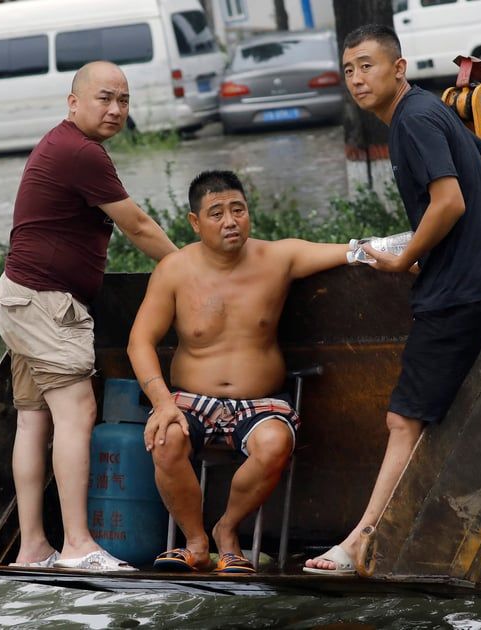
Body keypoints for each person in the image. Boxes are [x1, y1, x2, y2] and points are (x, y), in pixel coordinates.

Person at [303, 25, 481, 575]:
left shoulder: (413, 120)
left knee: (403, 420)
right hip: (476, 281)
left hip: (456, 293)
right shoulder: (425, 109)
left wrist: (406, 259)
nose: (357, 78)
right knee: (426, 417)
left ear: (398, 68)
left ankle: (361, 541)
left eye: (367, 65)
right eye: (348, 69)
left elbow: (448, 203)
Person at [0, 60, 178, 572]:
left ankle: (33, 548)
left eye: (124, 100)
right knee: (76, 415)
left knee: (34, 422)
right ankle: (77, 546)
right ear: (73, 103)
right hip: (46, 304)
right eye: (104, 98)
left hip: (19, 298)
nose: (116, 109)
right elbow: (138, 226)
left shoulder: (65, 144)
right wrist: (189, 269)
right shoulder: (81, 151)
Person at [128, 169, 354, 574]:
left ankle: (227, 531)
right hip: (190, 399)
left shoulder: (279, 257)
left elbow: (352, 251)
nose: (230, 221)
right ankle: (196, 542)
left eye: (238, 210)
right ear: (195, 222)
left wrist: (409, 254)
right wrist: (162, 403)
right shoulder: (175, 269)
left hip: (260, 402)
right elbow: (139, 342)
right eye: (216, 213)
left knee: (275, 444)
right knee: (165, 438)